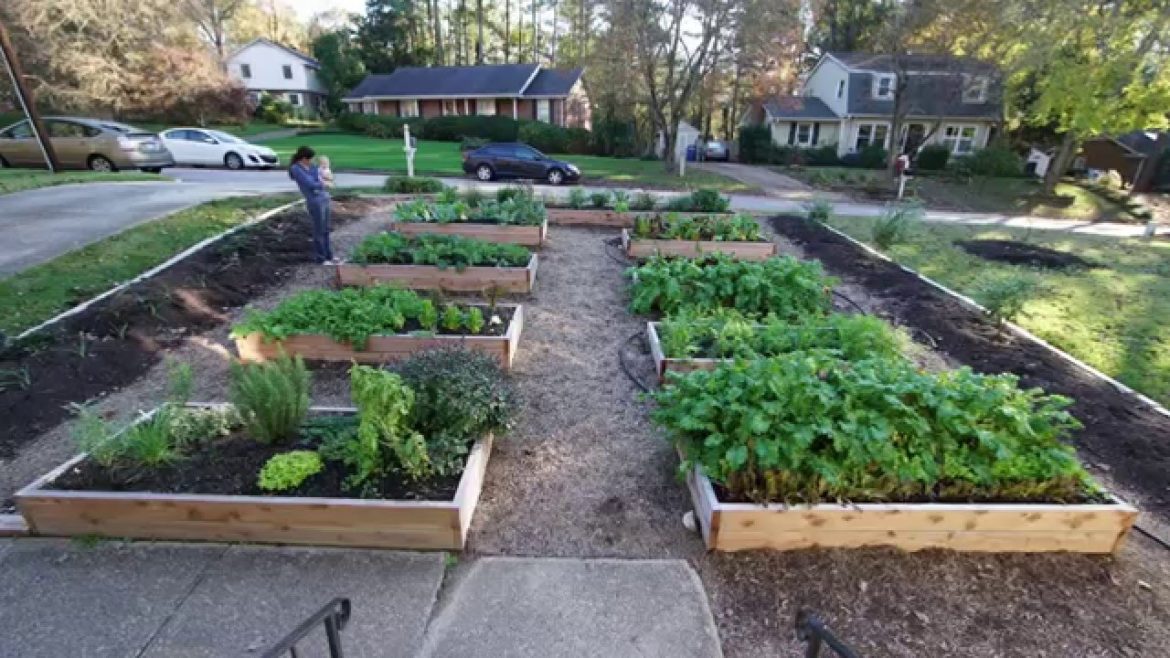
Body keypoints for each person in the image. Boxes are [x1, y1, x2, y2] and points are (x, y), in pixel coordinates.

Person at [288, 146, 334, 264]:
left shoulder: (311, 166)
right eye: (310, 159)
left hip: (324, 197)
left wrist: (323, 180)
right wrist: (323, 183)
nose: (312, 161)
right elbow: (310, 184)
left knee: (326, 229)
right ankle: (321, 258)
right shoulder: (296, 169)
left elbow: (319, 178)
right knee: (319, 230)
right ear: (304, 158)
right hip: (315, 201)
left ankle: (329, 256)